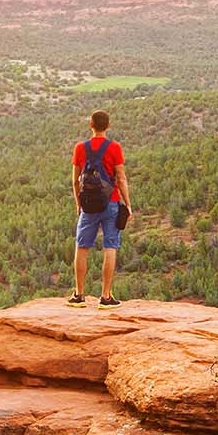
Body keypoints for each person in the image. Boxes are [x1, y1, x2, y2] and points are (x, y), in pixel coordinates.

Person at [69, 109, 130, 307]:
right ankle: (105, 297)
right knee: (110, 246)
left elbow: (76, 180)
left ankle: (79, 295)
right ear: (108, 126)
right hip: (110, 202)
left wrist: (79, 204)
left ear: (91, 125)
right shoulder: (114, 148)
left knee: (82, 247)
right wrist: (127, 204)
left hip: (88, 205)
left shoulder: (80, 148)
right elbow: (120, 178)